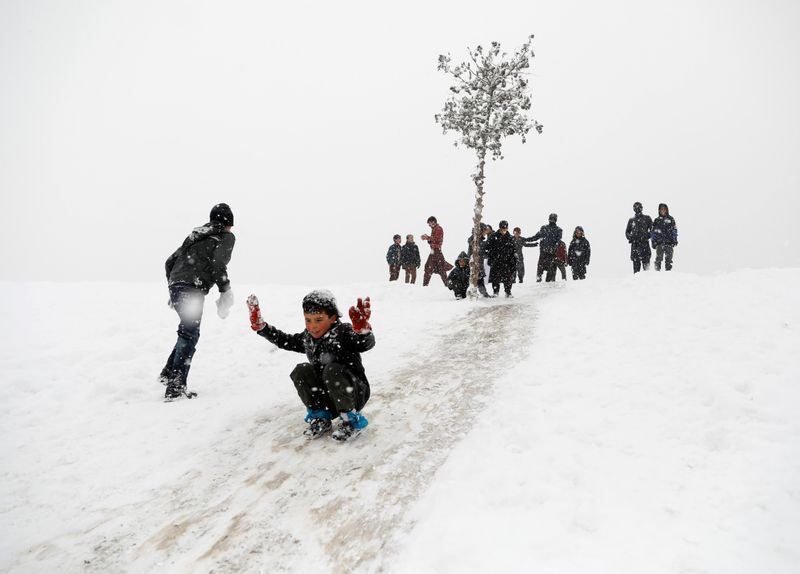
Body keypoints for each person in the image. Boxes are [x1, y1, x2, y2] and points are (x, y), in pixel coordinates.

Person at [248, 291, 375, 442]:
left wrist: (363, 333)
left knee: (332, 370)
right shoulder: (308, 338)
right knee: (301, 370)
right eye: (308, 320)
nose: (312, 326)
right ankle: (321, 416)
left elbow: (363, 344)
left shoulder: (343, 332)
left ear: (333, 317)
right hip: (330, 398)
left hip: (354, 393)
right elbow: (284, 340)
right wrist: (262, 328)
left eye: (318, 320)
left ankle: (351, 421)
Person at [160, 203, 236, 400]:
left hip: (177, 285)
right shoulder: (225, 236)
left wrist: (175, 285)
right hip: (192, 288)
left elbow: (169, 261)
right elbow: (218, 264)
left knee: (187, 331)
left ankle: (168, 374)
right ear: (228, 223)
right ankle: (175, 388)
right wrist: (225, 290)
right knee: (190, 333)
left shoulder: (195, 236)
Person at [485, 220, 517, 297]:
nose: (504, 230)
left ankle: (508, 292)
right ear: (499, 228)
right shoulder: (493, 236)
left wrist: (514, 259)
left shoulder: (510, 238)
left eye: (505, 228)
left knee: (508, 278)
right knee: (496, 278)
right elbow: (487, 247)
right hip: (496, 261)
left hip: (507, 262)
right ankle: (496, 292)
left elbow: (514, 249)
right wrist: (491, 256)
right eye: (502, 228)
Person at [528, 213, 563, 282]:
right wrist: (526, 240)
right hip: (543, 253)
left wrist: (553, 248)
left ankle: (549, 284)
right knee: (539, 272)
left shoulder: (559, 230)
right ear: (549, 219)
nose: (552, 220)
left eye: (553, 219)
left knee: (550, 276)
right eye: (551, 218)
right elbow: (536, 237)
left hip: (552, 254)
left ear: (556, 220)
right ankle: (539, 280)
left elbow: (558, 242)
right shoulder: (544, 228)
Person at [420, 216, 453, 287]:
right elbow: (433, 241)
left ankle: (448, 285)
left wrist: (427, 238)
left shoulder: (438, 229)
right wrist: (428, 239)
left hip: (437, 251)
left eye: (429, 223)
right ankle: (425, 286)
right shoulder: (434, 229)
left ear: (433, 222)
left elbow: (437, 240)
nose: (429, 225)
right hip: (434, 251)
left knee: (438, 268)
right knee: (433, 268)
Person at [625, 202, 653, 273]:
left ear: (641, 208)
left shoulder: (647, 218)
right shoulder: (631, 220)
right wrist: (630, 237)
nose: (637, 208)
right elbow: (627, 232)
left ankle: (648, 283)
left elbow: (653, 230)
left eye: (638, 206)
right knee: (636, 271)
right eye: (635, 207)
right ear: (633, 209)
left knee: (647, 270)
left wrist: (647, 236)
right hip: (635, 246)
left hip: (645, 245)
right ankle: (636, 284)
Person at [651, 203, 678, 271]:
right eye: (661, 209)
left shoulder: (671, 219)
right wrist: (653, 241)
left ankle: (668, 273)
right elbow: (653, 232)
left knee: (669, 259)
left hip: (669, 243)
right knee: (658, 259)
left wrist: (674, 239)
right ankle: (657, 272)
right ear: (659, 210)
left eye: (664, 209)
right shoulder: (656, 220)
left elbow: (674, 230)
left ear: (666, 210)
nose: (663, 210)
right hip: (659, 243)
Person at [466, 223, 491, 297]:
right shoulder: (474, 240)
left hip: (479, 264)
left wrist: (487, 254)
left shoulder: (481, 241)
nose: (485, 233)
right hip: (474, 264)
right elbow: (471, 252)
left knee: (480, 279)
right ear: (480, 230)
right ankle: (473, 294)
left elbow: (483, 253)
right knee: (474, 280)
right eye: (484, 231)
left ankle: (484, 293)